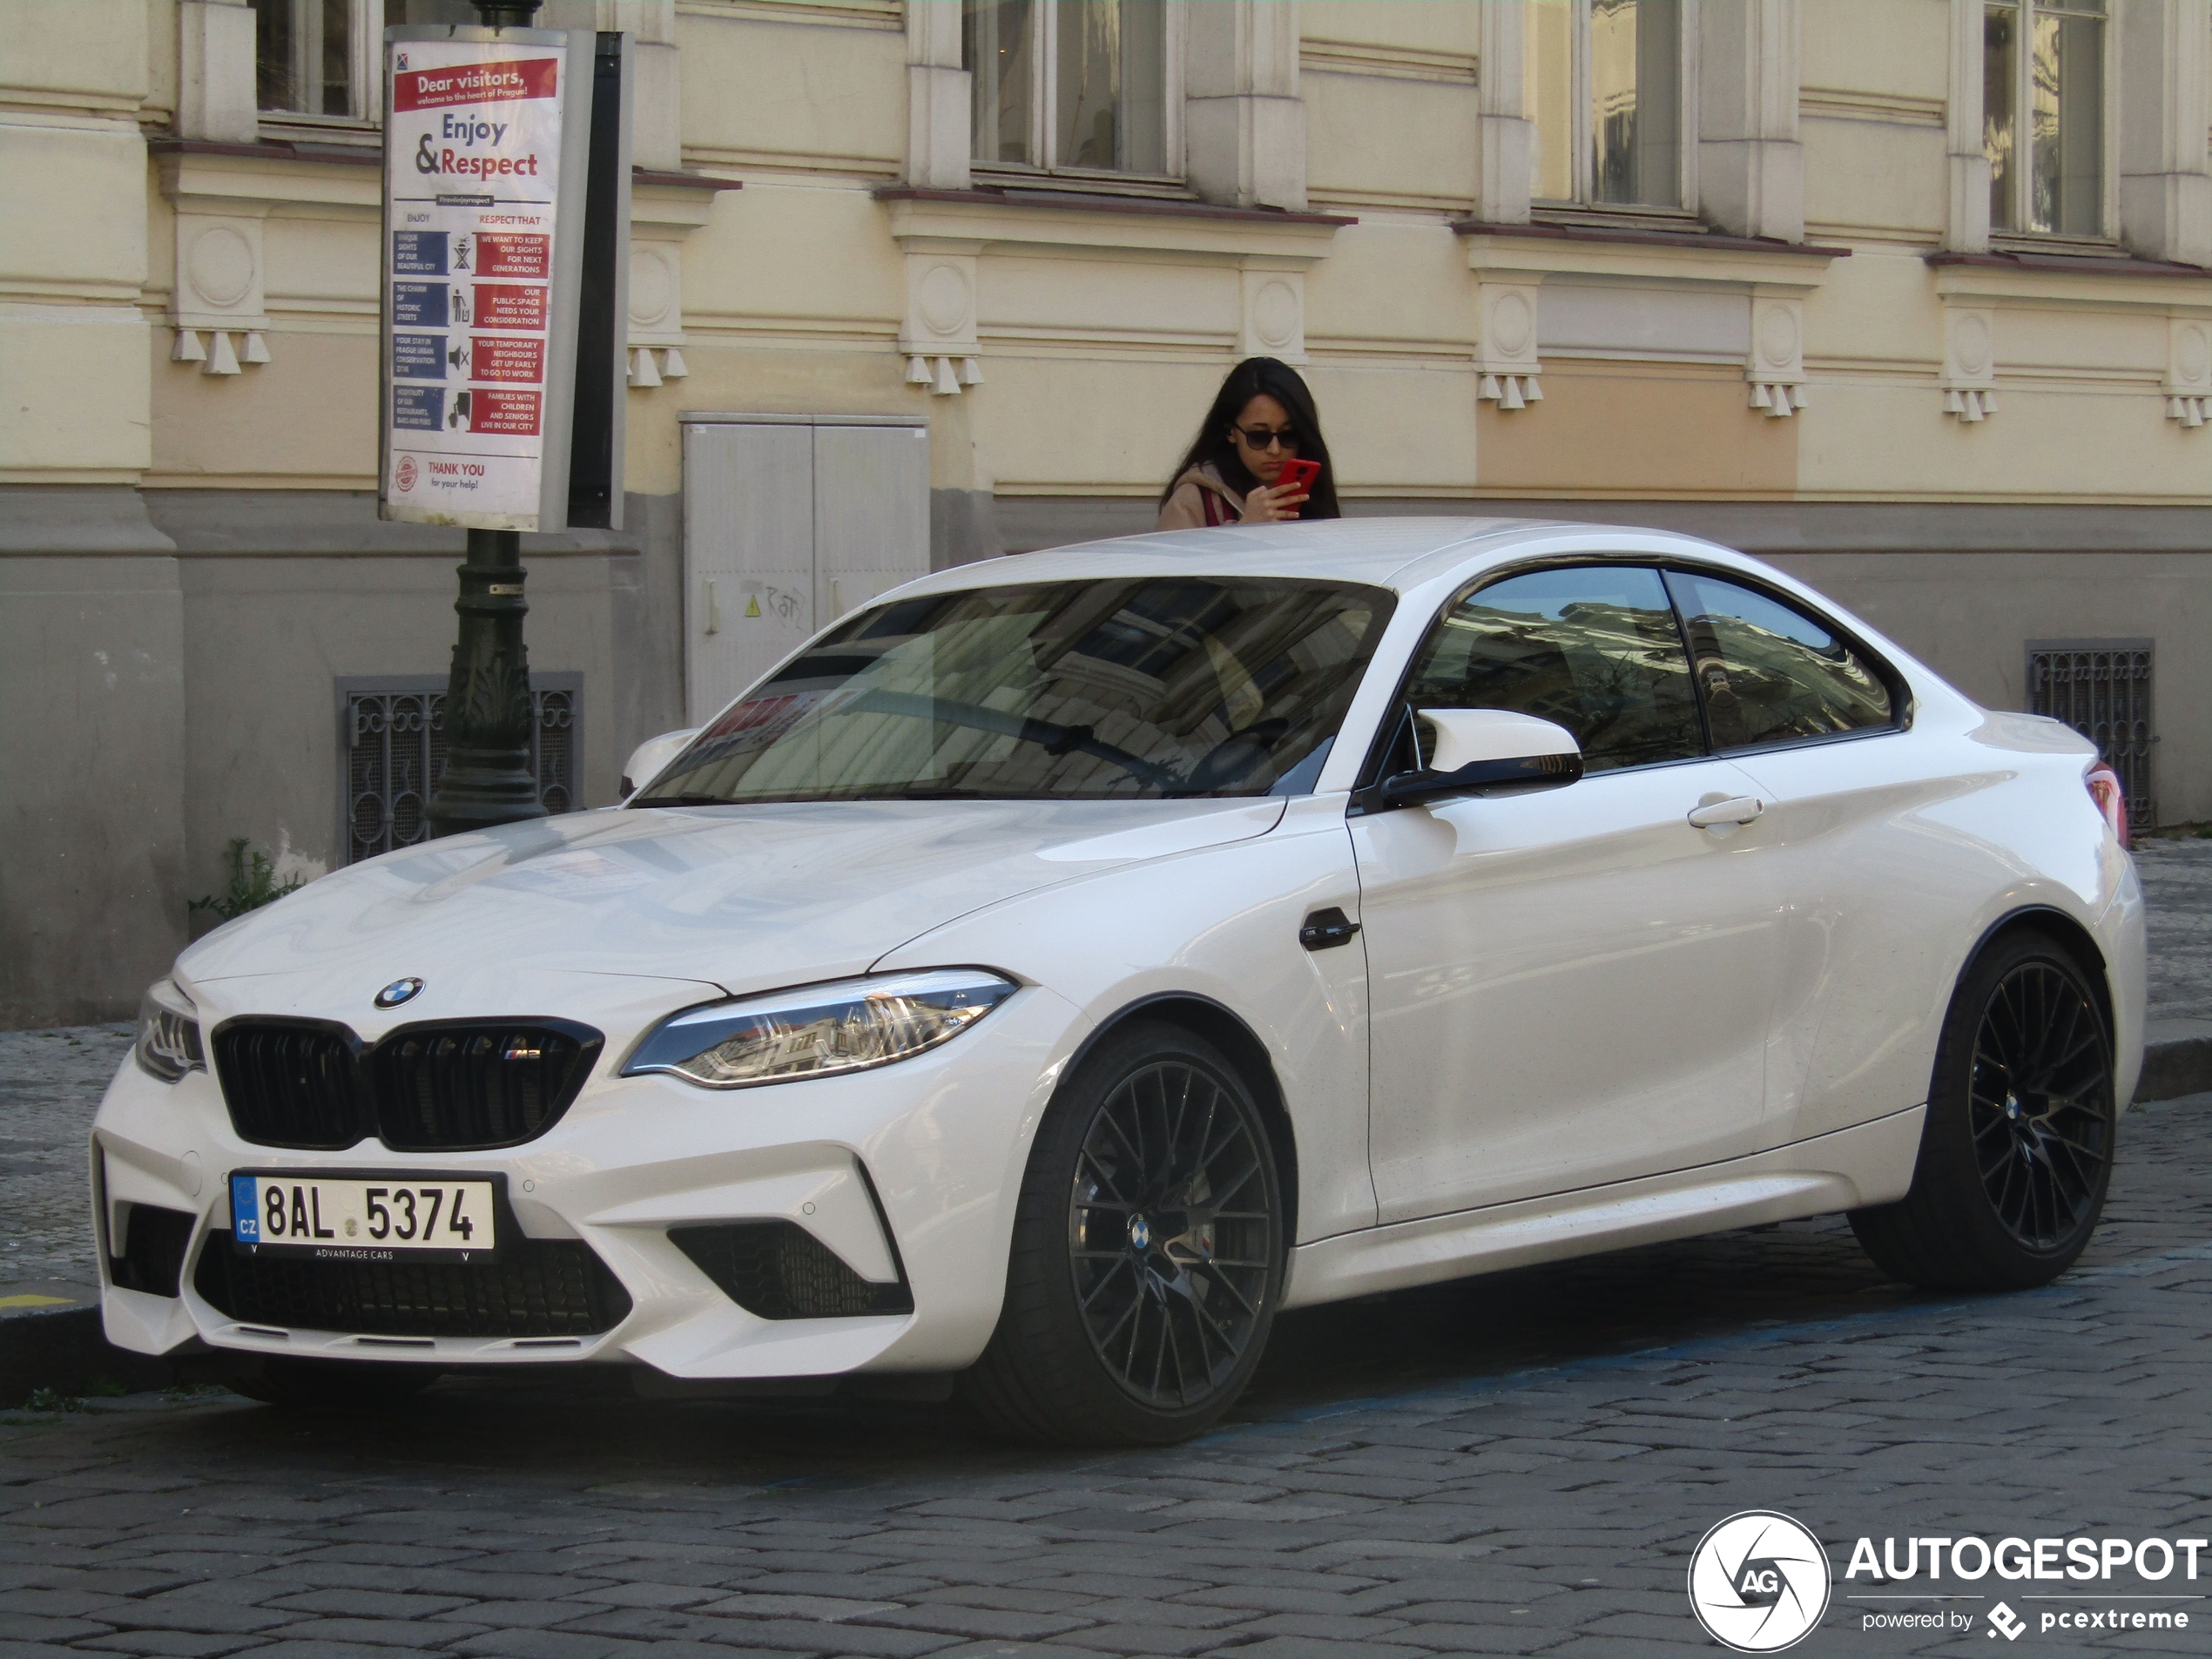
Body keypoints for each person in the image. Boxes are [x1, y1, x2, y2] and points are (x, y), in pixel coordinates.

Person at [1157, 356, 1342, 530]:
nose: (1275, 449)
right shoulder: (1194, 500)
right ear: (1231, 432)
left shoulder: (1313, 491)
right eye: (1259, 436)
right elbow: (1171, 564)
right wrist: (1246, 528)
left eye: (1288, 435)